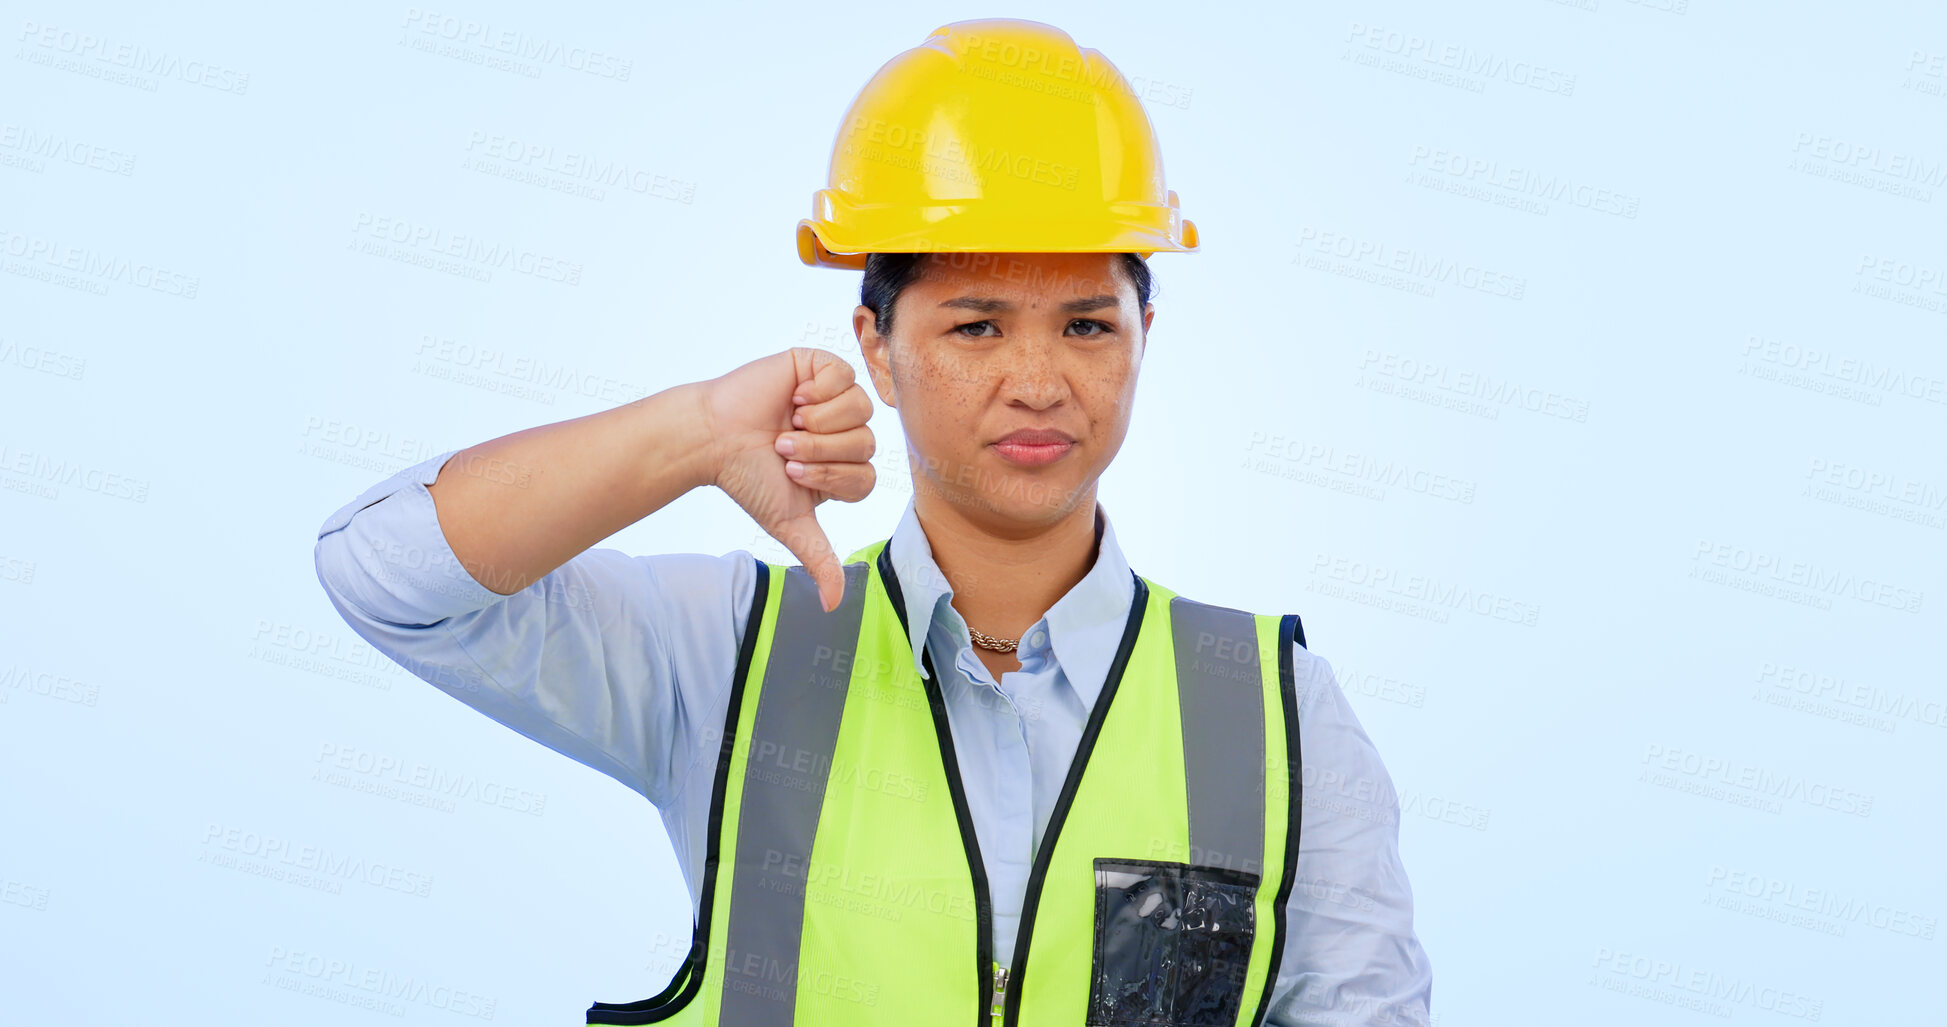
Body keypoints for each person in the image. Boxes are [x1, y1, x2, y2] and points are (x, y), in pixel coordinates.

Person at [314, 17, 1431, 1027]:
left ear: (1147, 333)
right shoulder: (728, 656)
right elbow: (386, 575)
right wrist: (693, 434)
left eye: (1087, 325)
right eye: (978, 325)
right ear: (876, 344)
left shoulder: (1280, 718)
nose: (1039, 380)